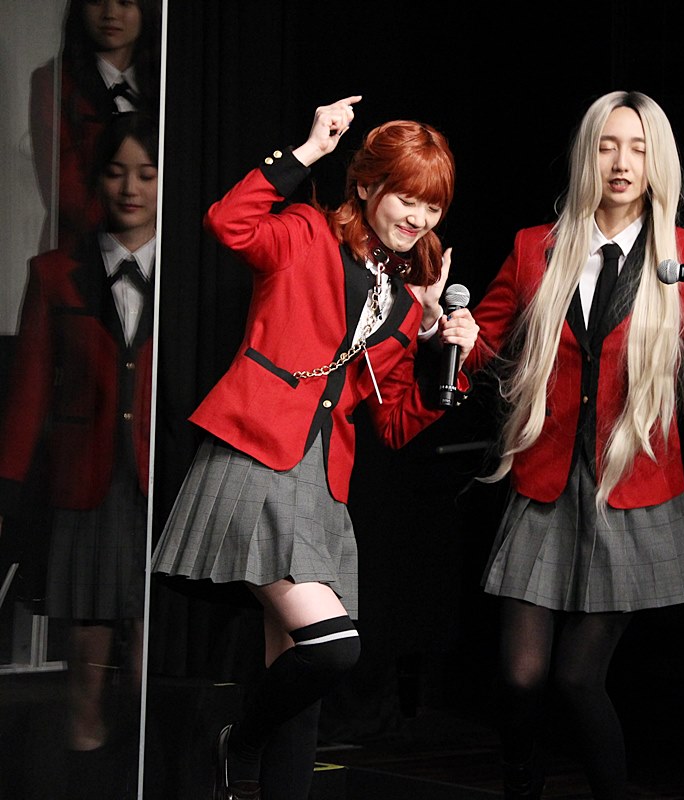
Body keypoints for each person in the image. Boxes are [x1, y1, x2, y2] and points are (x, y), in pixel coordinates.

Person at [468, 91, 684, 799]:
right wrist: (454, 336)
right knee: (520, 676)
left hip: (631, 493)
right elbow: (483, 348)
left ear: (658, 163)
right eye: (608, 145)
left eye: (639, 148)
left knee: (577, 677)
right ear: (587, 155)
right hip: (545, 482)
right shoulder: (536, 248)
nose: (622, 162)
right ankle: (519, 784)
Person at [149, 96, 478, 800]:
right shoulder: (305, 232)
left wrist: (447, 356)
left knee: (301, 689)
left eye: (433, 207)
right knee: (332, 649)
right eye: (407, 198)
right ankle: (237, 739)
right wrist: (307, 151)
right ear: (367, 184)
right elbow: (227, 223)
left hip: (321, 483)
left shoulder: (405, 303)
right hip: (252, 455)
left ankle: (259, 761)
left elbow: (393, 423)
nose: (418, 219)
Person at [0, 110, 159, 796]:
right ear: (97, 180)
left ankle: (147, 768)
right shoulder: (55, 272)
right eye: (117, 172)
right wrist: (9, 493)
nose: (131, 188)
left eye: (146, 173)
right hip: (85, 481)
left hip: (160, 476)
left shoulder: (186, 270)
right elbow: (28, 393)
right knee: (86, 656)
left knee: (152, 643)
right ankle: (84, 771)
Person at [30, 0, 161, 254]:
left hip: (156, 248)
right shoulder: (53, 82)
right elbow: (63, 189)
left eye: (124, 2)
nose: (110, 14)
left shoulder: (164, 82)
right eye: (96, 1)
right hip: (79, 249)